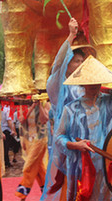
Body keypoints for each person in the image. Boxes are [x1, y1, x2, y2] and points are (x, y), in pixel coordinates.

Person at [56, 56, 112, 200]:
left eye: (96, 80)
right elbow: (59, 138)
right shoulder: (70, 109)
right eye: (89, 81)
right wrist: (75, 145)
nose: (94, 84)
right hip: (81, 168)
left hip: (107, 164)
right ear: (83, 83)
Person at [41, 18, 95, 201]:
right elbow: (57, 65)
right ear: (67, 66)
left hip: (89, 147)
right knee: (68, 191)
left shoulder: (88, 87)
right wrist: (71, 35)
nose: (80, 64)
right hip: (66, 149)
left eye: (82, 61)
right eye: (75, 61)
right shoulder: (58, 86)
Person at [15, 94, 50, 200]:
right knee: (38, 168)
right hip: (28, 139)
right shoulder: (22, 104)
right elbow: (22, 120)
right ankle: (47, 191)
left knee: (28, 166)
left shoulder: (45, 103)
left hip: (40, 139)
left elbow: (45, 119)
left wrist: (39, 105)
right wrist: (33, 106)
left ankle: (22, 194)